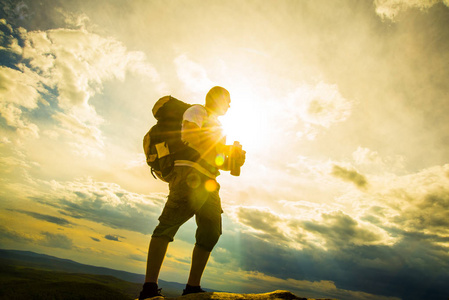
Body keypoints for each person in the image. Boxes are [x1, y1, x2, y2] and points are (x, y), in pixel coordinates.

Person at [139, 86, 245, 299]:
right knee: (168, 225)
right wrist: (221, 151)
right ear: (216, 99)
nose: (230, 105)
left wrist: (231, 160)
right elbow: (189, 136)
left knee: (211, 232)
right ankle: (149, 288)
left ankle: (192, 288)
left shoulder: (216, 125)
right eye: (228, 100)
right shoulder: (198, 111)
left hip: (209, 181)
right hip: (189, 174)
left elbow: (212, 158)